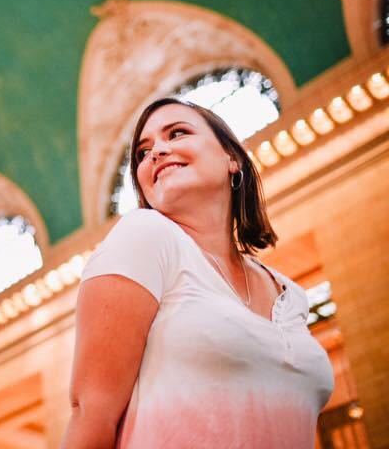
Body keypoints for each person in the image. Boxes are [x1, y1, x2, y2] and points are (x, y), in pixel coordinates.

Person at [62, 98, 334, 448]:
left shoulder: (289, 293)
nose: (157, 152)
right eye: (143, 153)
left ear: (231, 158)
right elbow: (90, 414)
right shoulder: (144, 236)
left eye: (177, 133)